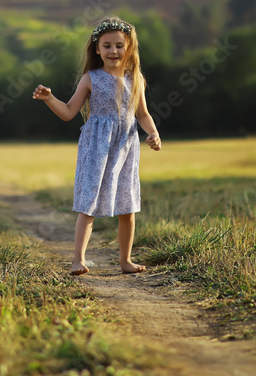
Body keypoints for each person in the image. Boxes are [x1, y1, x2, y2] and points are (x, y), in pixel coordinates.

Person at [32, 18, 161, 276]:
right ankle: (78, 260)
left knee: (128, 205)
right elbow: (69, 112)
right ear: (97, 49)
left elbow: (143, 114)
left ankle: (126, 260)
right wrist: (49, 99)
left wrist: (154, 133)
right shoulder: (91, 79)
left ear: (129, 48)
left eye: (119, 45)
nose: (113, 51)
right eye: (107, 46)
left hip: (125, 147)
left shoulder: (136, 79)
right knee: (88, 203)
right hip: (96, 147)